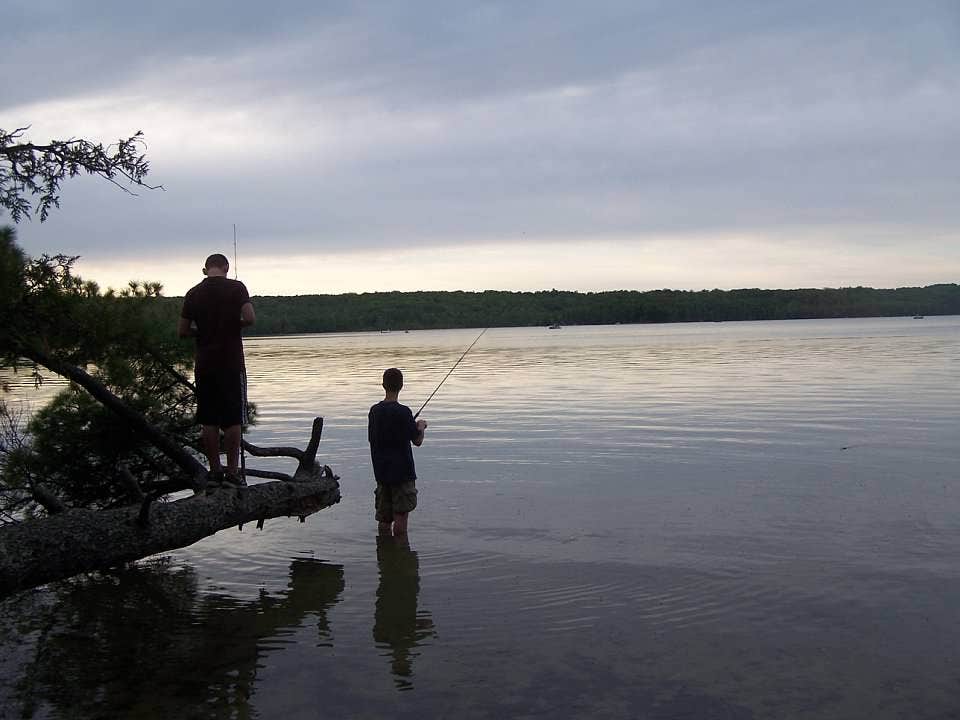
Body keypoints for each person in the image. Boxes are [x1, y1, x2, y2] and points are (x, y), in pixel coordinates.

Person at [178, 253, 255, 483]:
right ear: (226, 267)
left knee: (208, 419)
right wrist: (234, 326)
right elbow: (250, 318)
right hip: (231, 363)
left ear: (205, 269)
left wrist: (201, 332)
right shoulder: (237, 288)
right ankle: (233, 471)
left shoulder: (193, 293)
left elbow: (182, 331)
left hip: (205, 365)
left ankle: (214, 470)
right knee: (233, 420)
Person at [368, 368, 427, 535]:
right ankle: (400, 554)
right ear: (401, 386)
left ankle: (385, 551)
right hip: (402, 474)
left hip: (381, 472)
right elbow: (417, 441)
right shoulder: (404, 412)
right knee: (401, 516)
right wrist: (421, 427)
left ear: (383, 385)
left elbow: (373, 439)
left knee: (384, 519)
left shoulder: (374, 411)